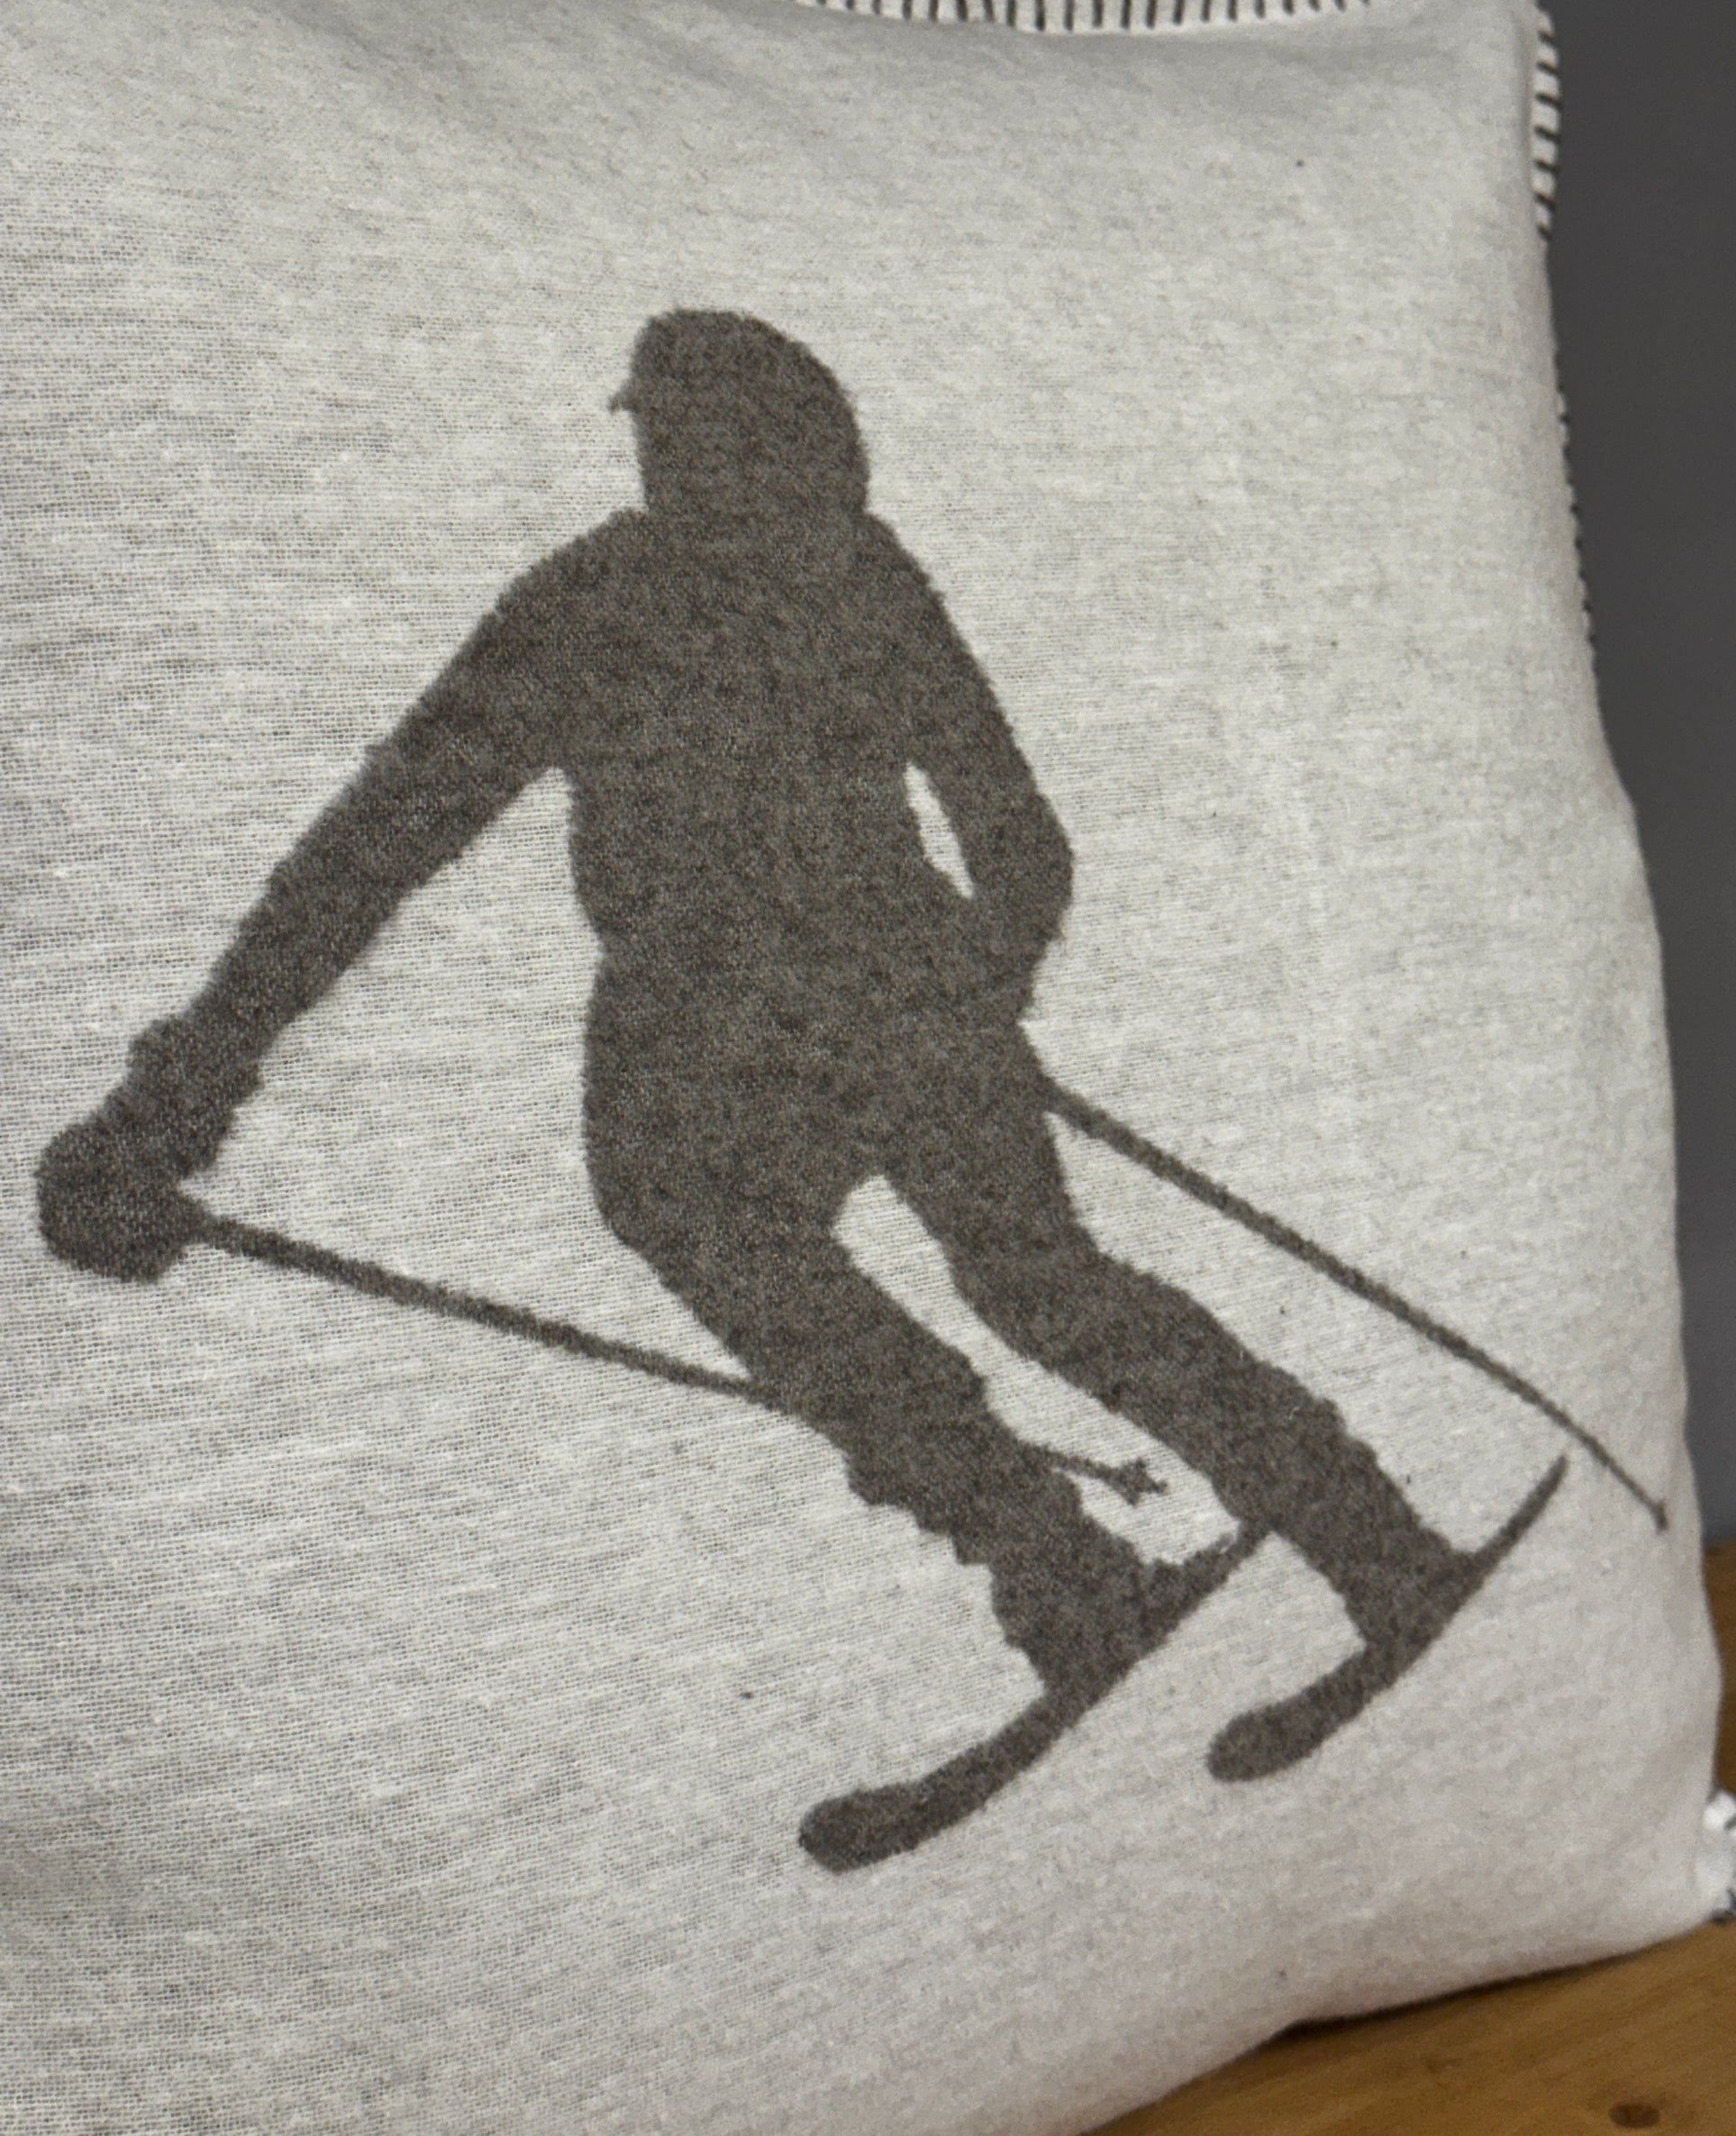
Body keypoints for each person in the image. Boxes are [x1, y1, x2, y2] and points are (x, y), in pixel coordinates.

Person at [38, 310, 1561, 1835]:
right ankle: (1262, 1557)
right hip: (822, 1006)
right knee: (1008, 1274)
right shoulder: (770, 577)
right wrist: (976, 980)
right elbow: (1014, 844)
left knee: (880, 1245)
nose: (676, 469)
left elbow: (372, 855)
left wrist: (175, 1103)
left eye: (689, 443)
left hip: (788, 1013)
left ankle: (1119, 1568)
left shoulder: (647, 595)